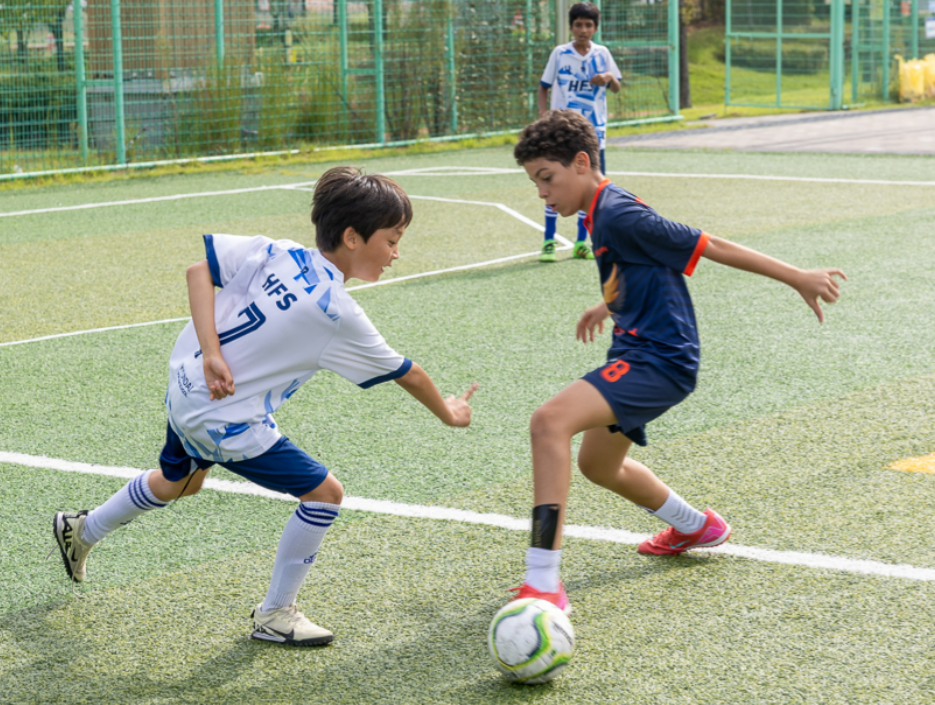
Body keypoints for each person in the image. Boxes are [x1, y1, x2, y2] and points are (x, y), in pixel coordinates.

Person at [53, 166, 478, 646]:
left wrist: (211, 352)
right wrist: (450, 412)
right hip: (221, 416)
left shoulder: (281, 251)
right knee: (325, 494)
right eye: (392, 240)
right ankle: (276, 614)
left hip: (188, 384)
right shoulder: (337, 312)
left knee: (181, 482)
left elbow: (198, 271)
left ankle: (82, 529)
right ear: (352, 237)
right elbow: (408, 372)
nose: (397, 253)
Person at [510, 111, 846, 612]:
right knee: (598, 465)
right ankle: (696, 527)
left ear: (581, 163)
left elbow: (709, 245)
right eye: (535, 183)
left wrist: (796, 275)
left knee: (548, 422)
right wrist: (608, 304)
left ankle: (542, 579)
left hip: (659, 361)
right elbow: (643, 266)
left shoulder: (619, 213)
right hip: (639, 353)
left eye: (546, 178)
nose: (541, 193)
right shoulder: (600, 211)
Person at [537, 1, 621, 263]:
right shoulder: (560, 53)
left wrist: (609, 77)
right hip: (562, 131)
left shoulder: (602, 54)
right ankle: (548, 241)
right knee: (554, 181)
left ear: (595, 28)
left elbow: (617, 86)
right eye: (578, 25)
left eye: (588, 25)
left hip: (594, 132)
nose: (583, 30)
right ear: (571, 27)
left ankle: (581, 243)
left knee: (590, 186)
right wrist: (543, 115)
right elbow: (543, 86)